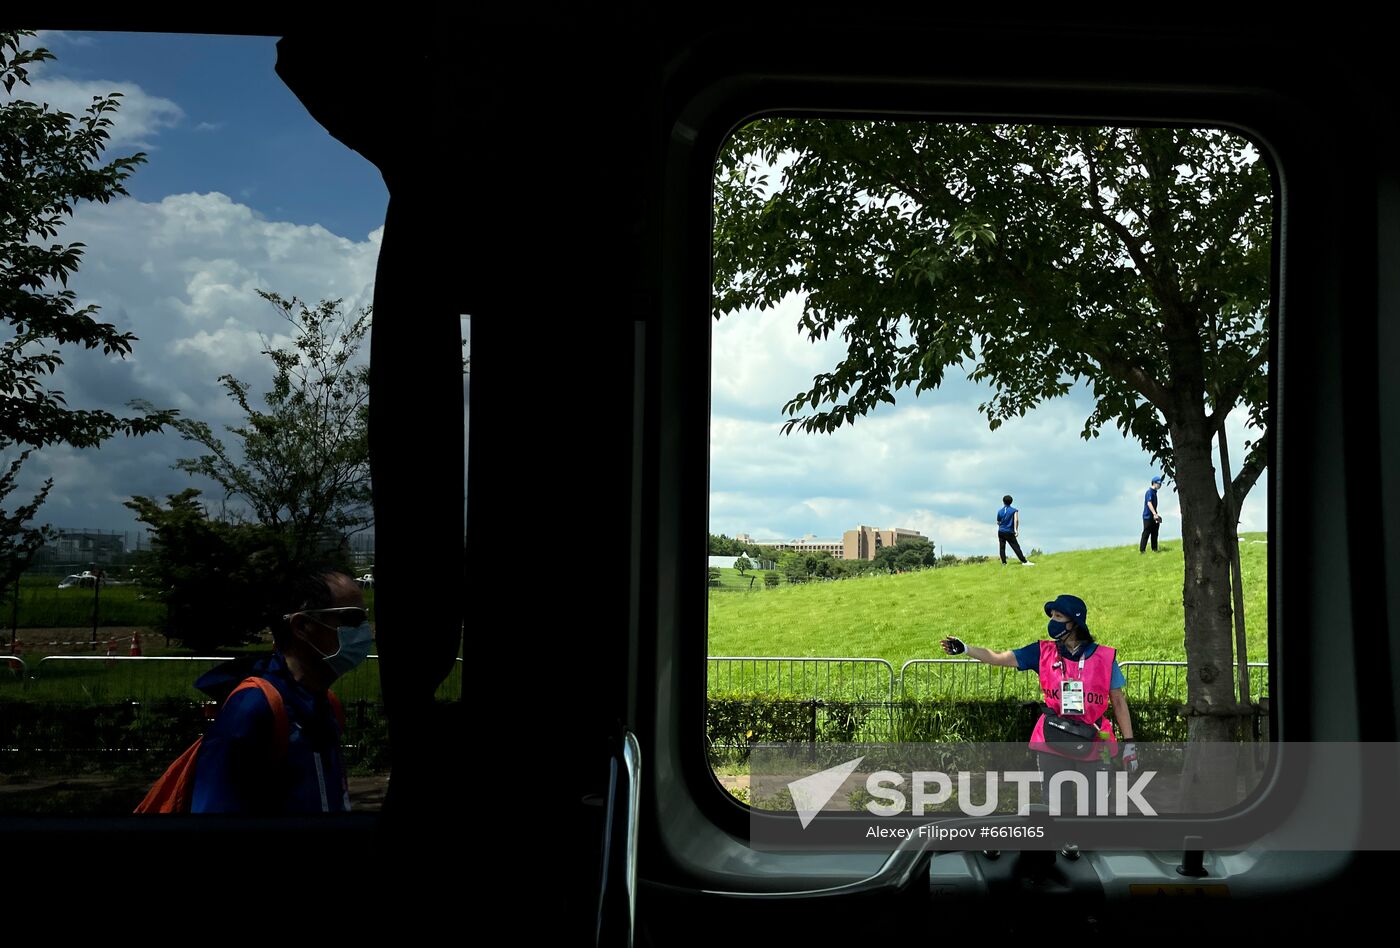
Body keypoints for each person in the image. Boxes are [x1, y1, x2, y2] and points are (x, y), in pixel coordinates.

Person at [190, 569, 373, 814]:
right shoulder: (253, 708)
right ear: (301, 625)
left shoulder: (327, 704)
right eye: (351, 618)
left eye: (364, 618)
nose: (364, 630)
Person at [939, 594, 1138, 811]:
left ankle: (1087, 843)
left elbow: (1118, 701)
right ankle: (1062, 845)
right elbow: (998, 657)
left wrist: (1130, 743)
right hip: (1052, 738)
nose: (1052, 621)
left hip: (1097, 741)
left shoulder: (1104, 657)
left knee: (1095, 806)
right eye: (1052, 615)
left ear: (1075, 622)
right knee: (1055, 806)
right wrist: (965, 648)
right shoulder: (1041, 652)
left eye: (1058, 616)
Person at [995, 494, 1033, 566]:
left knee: (1002, 547)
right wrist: (1016, 530)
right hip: (1009, 531)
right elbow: (1016, 520)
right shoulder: (1014, 511)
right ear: (1011, 502)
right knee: (1016, 547)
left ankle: (1004, 563)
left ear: (1003, 501)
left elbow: (998, 522)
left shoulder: (999, 511)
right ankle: (1024, 561)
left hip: (1001, 531)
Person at [1140, 475, 1164, 553]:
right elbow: (1149, 503)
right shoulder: (1149, 492)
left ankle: (1154, 549)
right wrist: (1154, 514)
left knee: (1155, 532)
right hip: (1147, 516)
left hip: (1153, 516)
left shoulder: (1154, 493)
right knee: (1146, 533)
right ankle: (1142, 550)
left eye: (1160, 484)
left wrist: (1157, 515)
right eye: (1159, 483)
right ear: (1154, 483)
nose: (1160, 485)